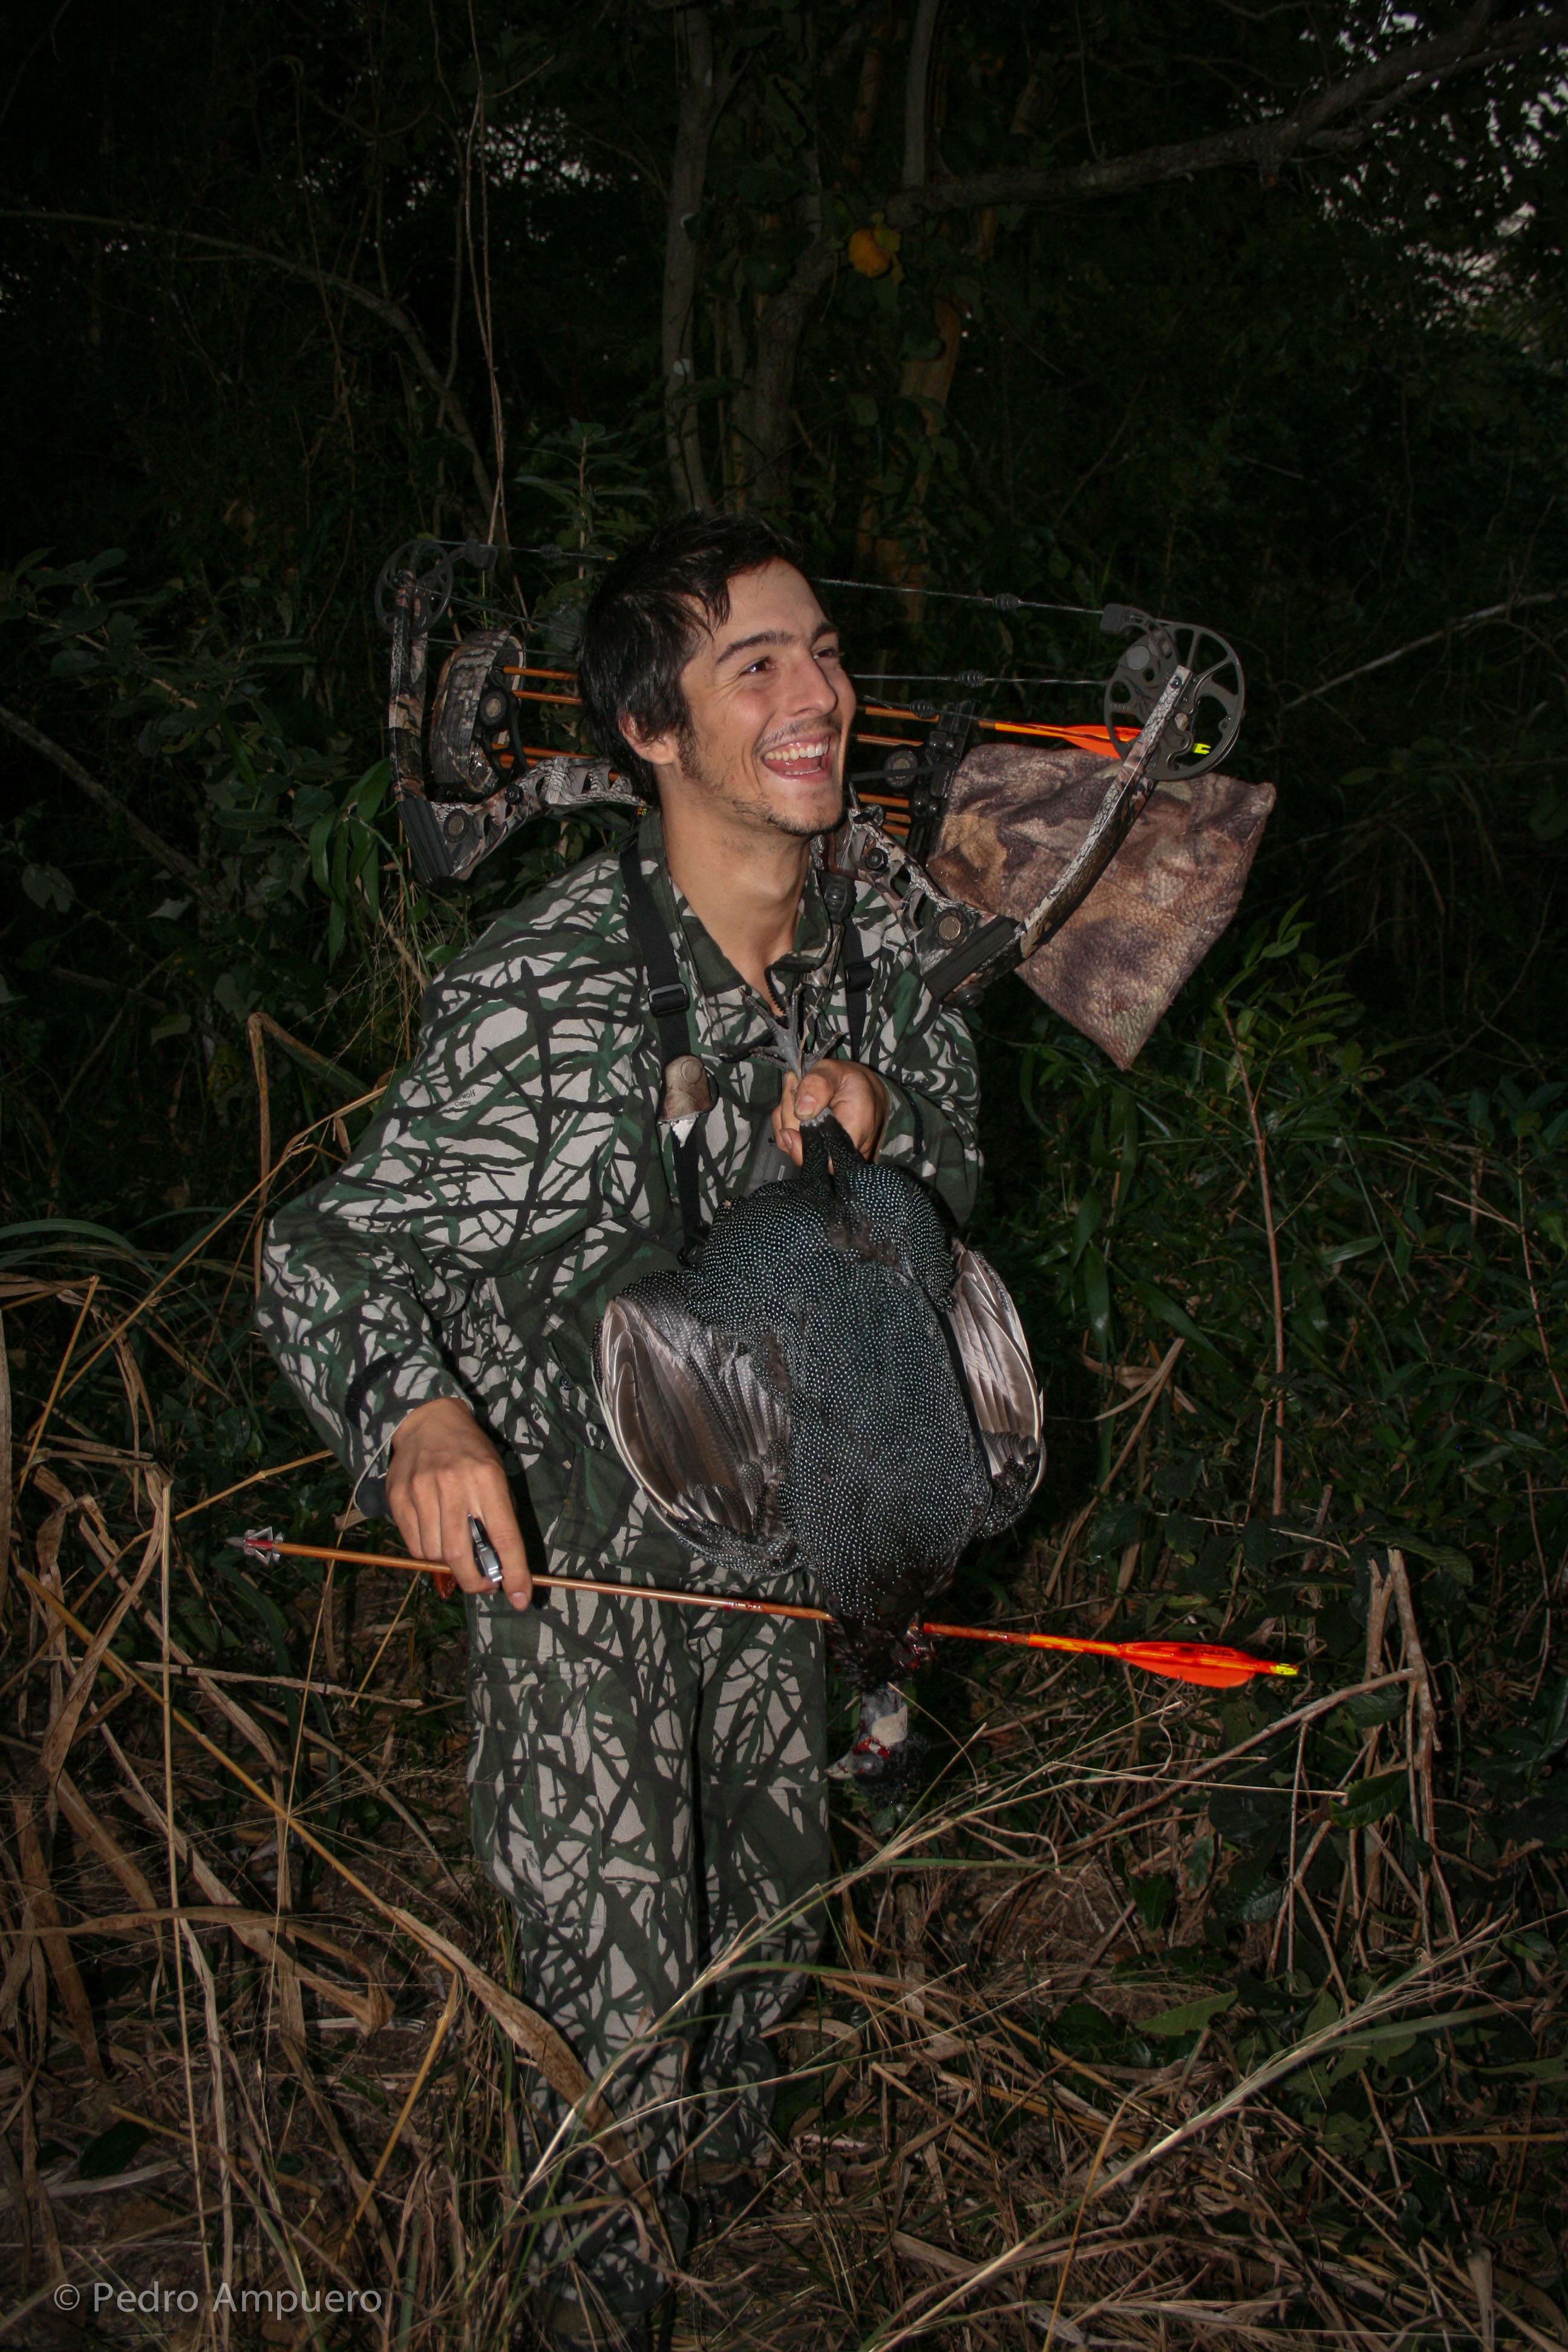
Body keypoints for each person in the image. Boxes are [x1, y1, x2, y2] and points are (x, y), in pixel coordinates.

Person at [256, 512, 980, 2348]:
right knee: (617, 2007)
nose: (818, 694)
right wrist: (417, 1416)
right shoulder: (554, 986)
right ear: (652, 731)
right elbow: (327, 1249)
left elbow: (961, 1171)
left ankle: (700, 2254)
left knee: (769, 1951)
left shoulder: (881, 947)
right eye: (758, 666)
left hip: (781, 1554)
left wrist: (889, 1123)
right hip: (583, 1579)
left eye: (824, 652)